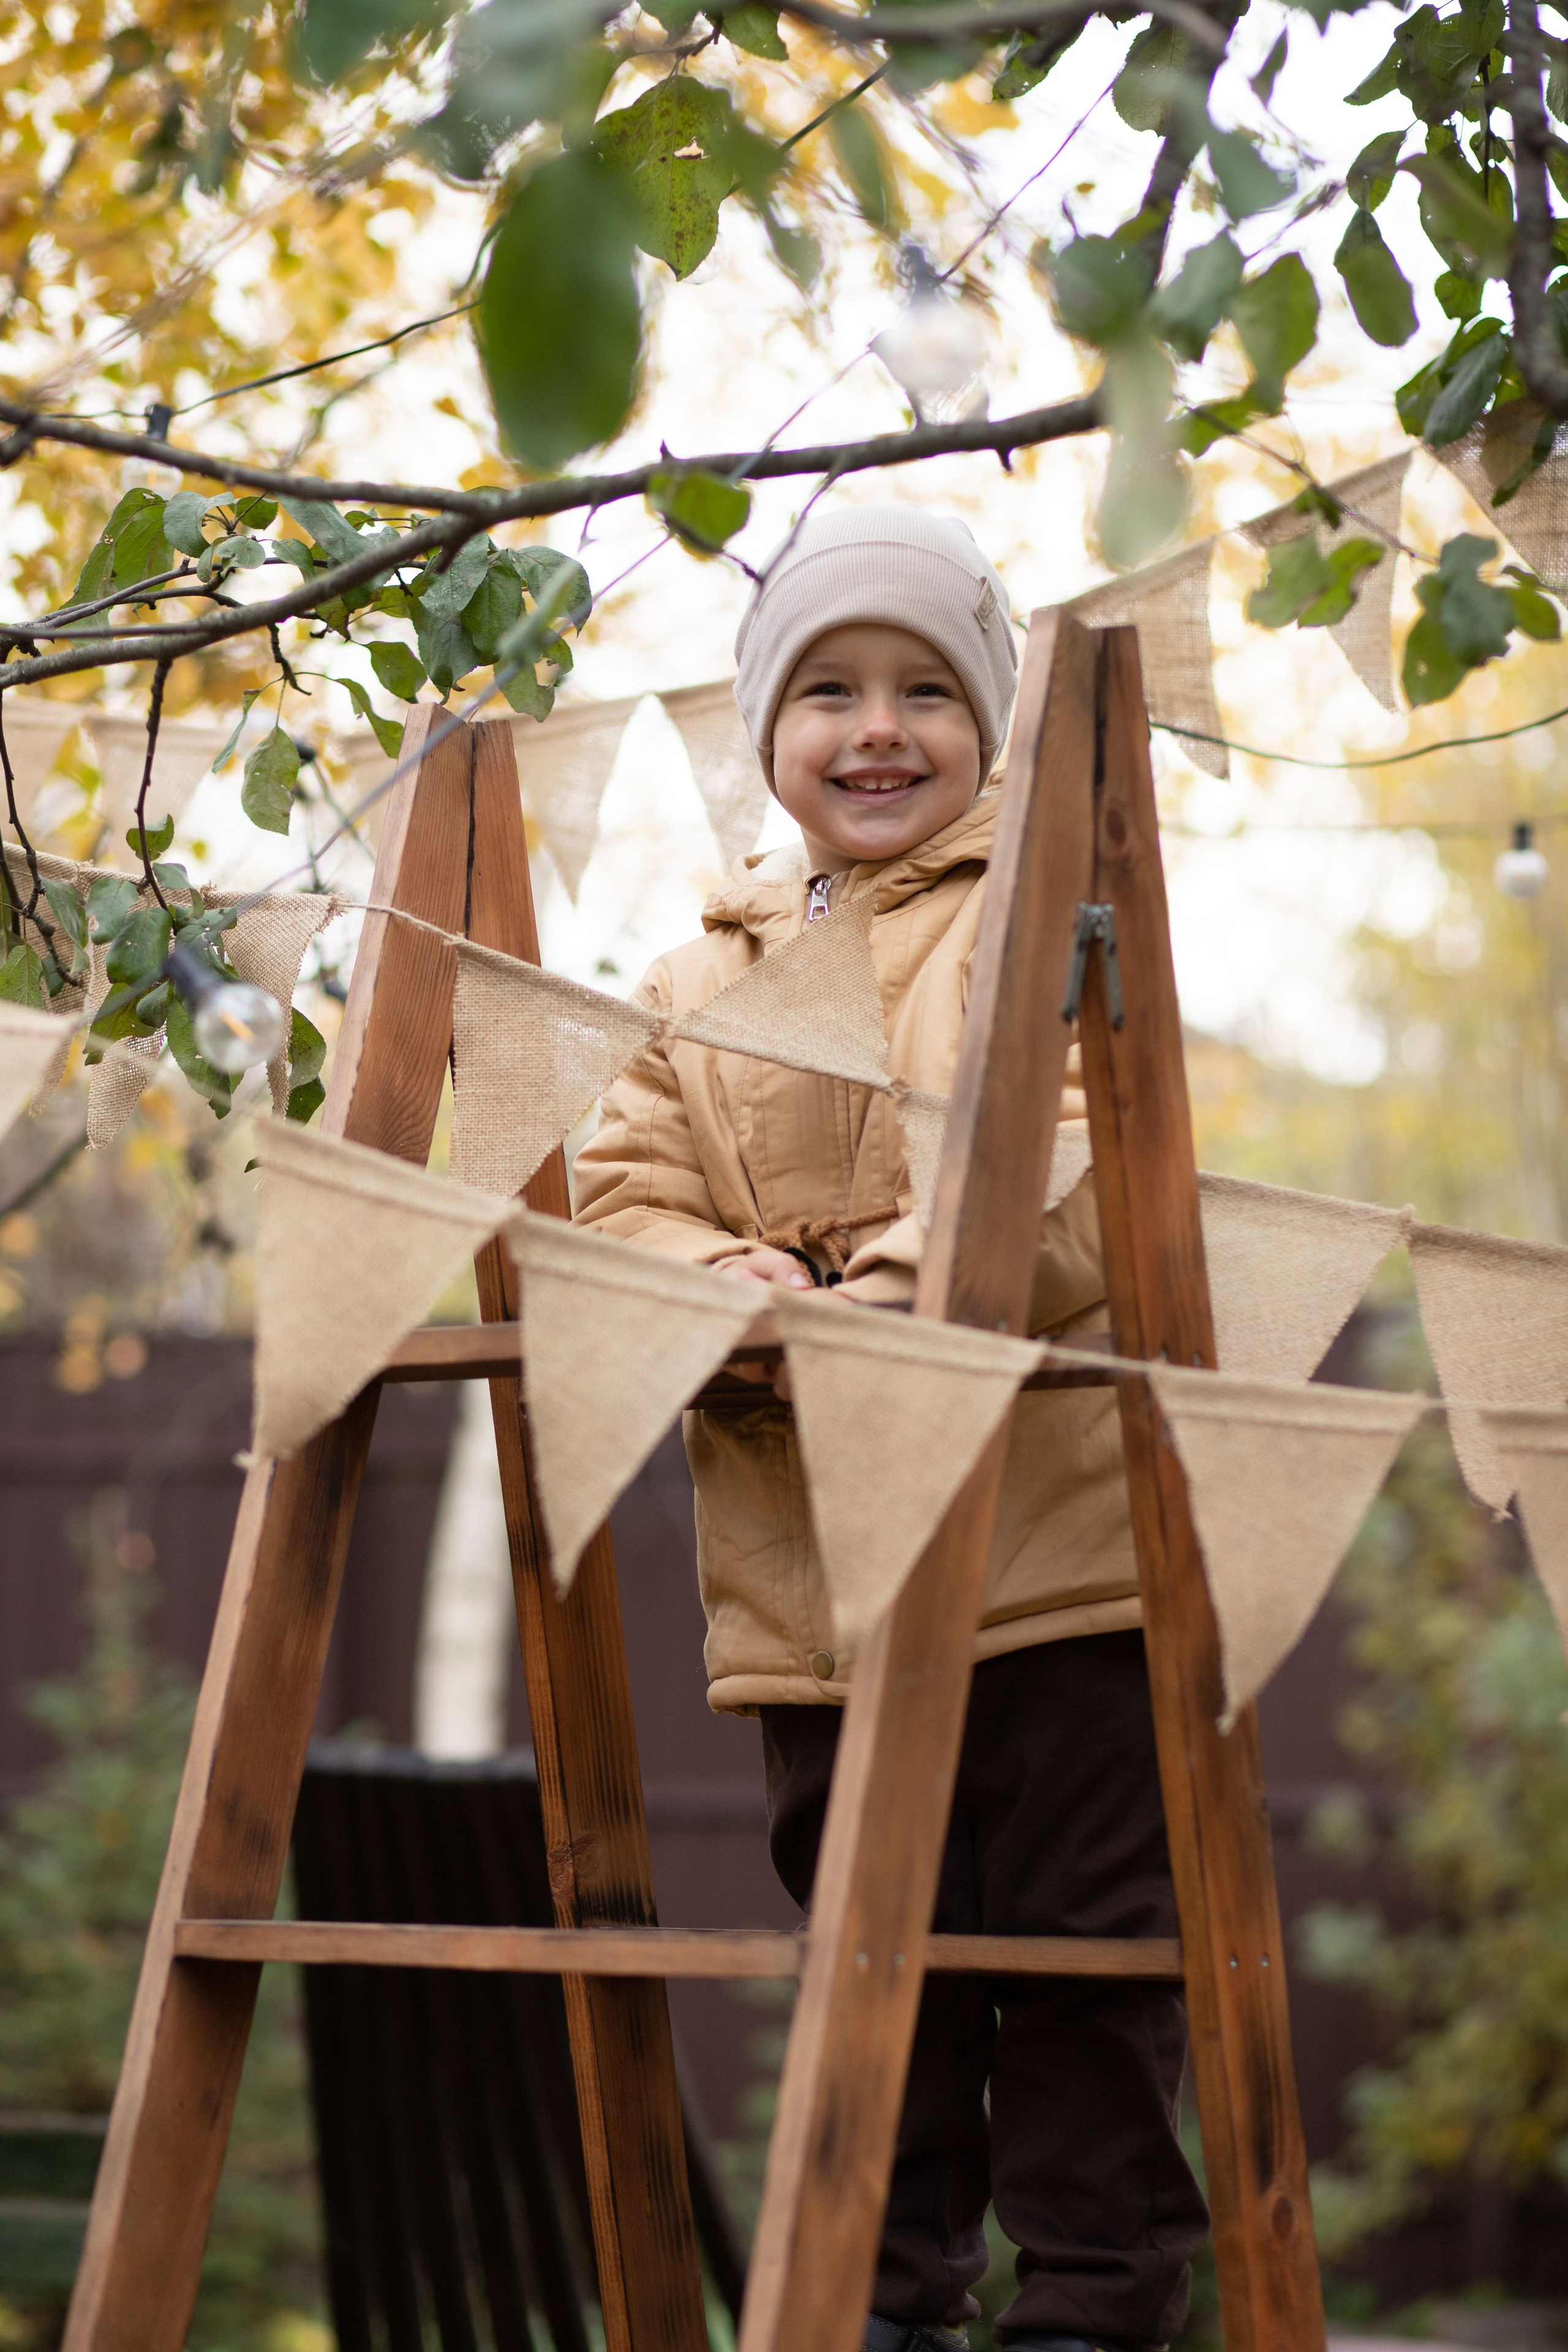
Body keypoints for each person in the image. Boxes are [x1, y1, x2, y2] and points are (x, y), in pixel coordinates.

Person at [571, 505, 1208, 2352]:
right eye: (830, 690)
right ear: (767, 733)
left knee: (1084, 1963)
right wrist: (726, 1288)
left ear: (993, 727)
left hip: (1054, 1570)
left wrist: (895, 1295)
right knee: (879, 1961)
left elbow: (1081, 1163)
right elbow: (622, 1193)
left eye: (929, 691)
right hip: (819, 1596)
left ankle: (1091, 2315)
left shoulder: (1059, 920)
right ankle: (881, 2305)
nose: (878, 728)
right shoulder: (694, 981)